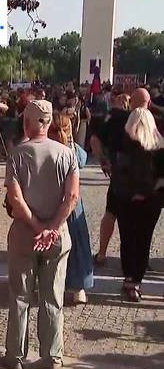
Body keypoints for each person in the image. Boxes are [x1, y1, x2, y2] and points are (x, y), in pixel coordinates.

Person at [0, 100, 79, 369]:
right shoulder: (67, 154)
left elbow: (16, 200)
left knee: (20, 296)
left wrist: (36, 226)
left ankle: (15, 356)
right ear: (48, 123)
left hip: (25, 233)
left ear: (27, 123)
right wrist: (52, 227)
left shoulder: (17, 154)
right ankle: (52, 357)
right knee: (53, 297)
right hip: (57, 236)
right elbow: (71, 197)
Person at [110, 98, 163, 302]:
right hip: (151, 201)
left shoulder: (123, 143)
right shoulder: (159, 147)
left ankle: (128, 277)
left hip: (126, 198)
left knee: (127, 237)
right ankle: (137, 281)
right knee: (143, 239)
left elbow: (118, 173)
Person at [48, 115, 93, 304]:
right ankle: (79, 287)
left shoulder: (46, 149)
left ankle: (51, 284)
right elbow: (83, 159)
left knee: (51, 246)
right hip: (73, 205)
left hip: (50, 202)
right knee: (78, 245)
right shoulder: (73, 151)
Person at [90, 93, 130, 265]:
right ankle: (132, 259)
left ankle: (102, 253)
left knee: (111, 213)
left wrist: (103, 161)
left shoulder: (112, 117)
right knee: (132, 218)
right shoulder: (145, 117)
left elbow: (94, 140)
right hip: (140, 175)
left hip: (119, 172)